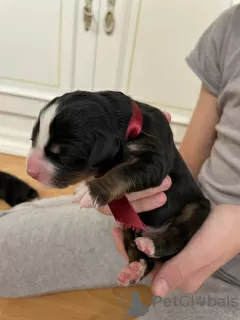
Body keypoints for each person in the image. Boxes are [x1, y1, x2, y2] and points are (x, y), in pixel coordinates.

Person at [1, 3, 240, 319]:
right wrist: (134, 189)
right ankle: (141, 259)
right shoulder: (231, 26)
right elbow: (187, 162)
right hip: (179, 209)